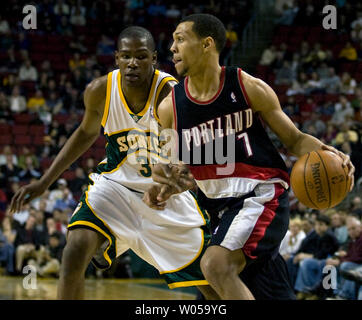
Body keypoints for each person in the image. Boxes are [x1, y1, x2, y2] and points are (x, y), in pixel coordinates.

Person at [144, 13, 355, 300]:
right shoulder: (170, 108)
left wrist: (330, 153)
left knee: (215, 265)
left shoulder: (246, 86)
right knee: (218, 293)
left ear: (207, 44)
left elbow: (294, 139)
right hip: (218, 212)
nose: (171, 48)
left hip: (261, 195)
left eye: (180, 39)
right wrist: (165, 182)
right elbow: (170, 166)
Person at [10, 26, 214, 299]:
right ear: (116, 57)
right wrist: (45, 181)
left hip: (163, 196)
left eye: (141, 57)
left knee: (210, 286)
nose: (133, 63)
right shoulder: (100, 91)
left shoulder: (171, 94)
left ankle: (110, 245)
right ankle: (105, 241)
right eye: (126, 56)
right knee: (74, 249)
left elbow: (194, 151)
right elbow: (84, 133)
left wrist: (174, 184)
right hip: (115, 187)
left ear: (154, 59)